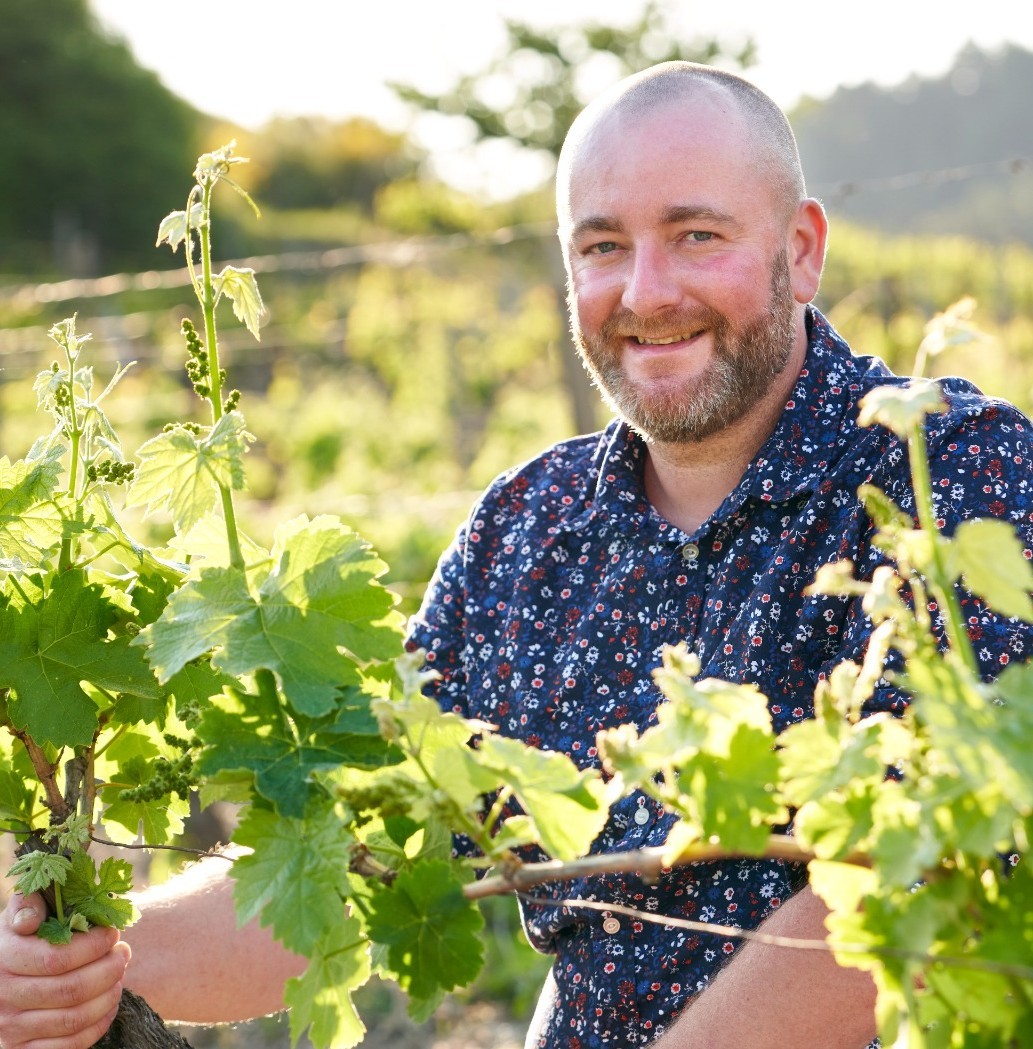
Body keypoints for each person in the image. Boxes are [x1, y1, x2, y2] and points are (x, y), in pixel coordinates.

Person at [2, 61, 1031, 1049]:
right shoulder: (528, 528)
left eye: (696, 234)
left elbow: (916, 867)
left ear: (801, 249)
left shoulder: (949, 477)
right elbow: (364, 855)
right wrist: (87, 962)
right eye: (600, 247)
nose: (645, 290)